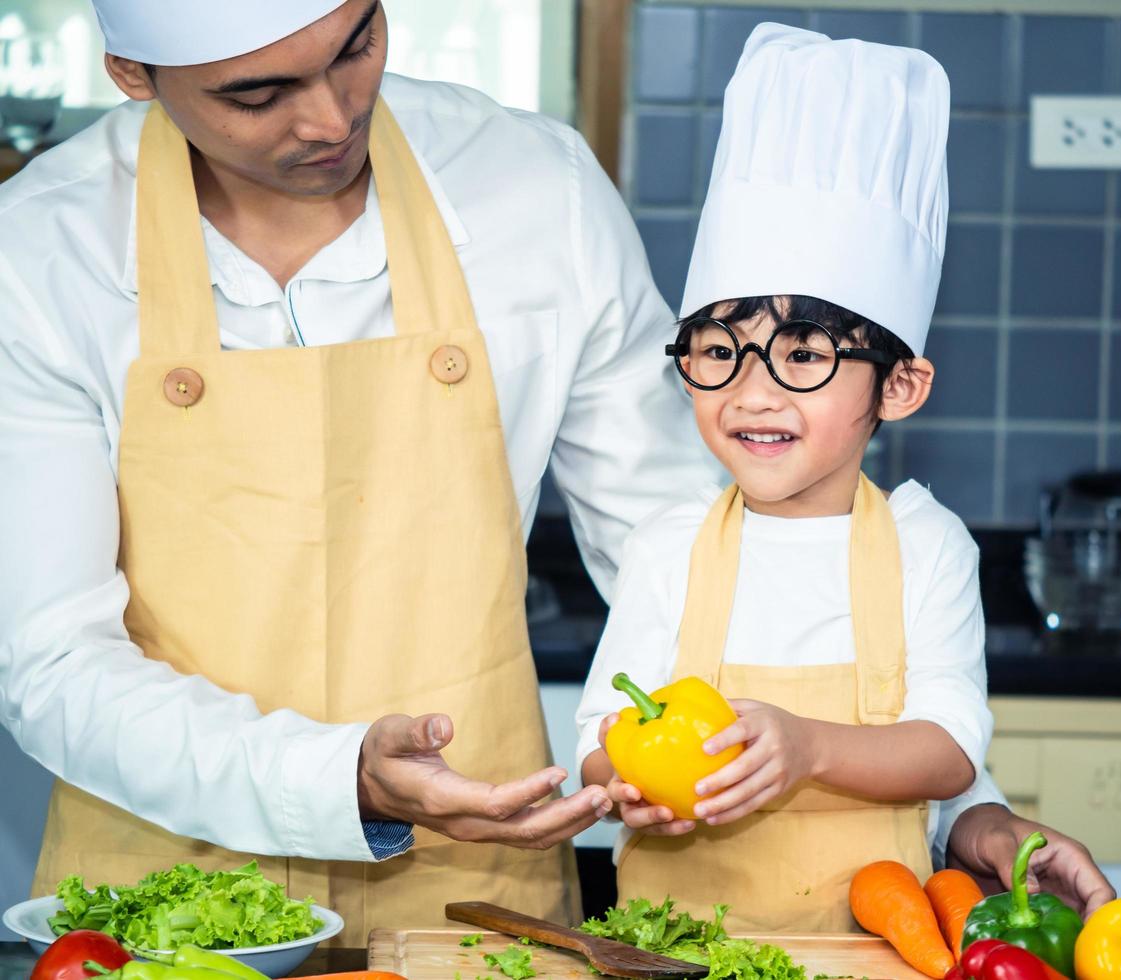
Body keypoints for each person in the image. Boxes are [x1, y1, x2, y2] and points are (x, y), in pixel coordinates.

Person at [0, 0, 718, 942]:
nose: (334, 119)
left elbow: (678, 558)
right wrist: (341, 780)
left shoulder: (537, 190)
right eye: (257, 94)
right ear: (133, 73)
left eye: (356, 48)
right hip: (165, 894)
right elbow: (52, 658)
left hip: (478, 870)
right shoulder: (41, 249)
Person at [575, 24, 1114, 931]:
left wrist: (807, 747)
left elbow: (948, 751)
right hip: (669, 949)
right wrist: (626, 786)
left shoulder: (924, 546)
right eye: (719, 350)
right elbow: (597, 740)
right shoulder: (670, 546)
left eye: (805, 354)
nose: (752, 392)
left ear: (898, 386)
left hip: (869, 946)